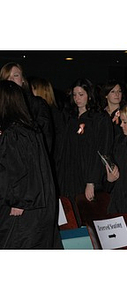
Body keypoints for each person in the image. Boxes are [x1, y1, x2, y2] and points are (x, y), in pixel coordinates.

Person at [0, 80, 61, 248]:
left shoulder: (13, 133)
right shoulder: (31, 129)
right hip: (40, 207)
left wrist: (18, 200)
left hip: (22, 210)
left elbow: (14, 171)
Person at [56, 78, 114, 208]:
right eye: (75, 95)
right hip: (68, 174)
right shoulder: (70, 117)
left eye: (81, 94)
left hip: (87, 173)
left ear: (89, 95)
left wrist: (91, 181)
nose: (77, 98)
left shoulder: (99, 118)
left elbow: (102, 150)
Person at [0, 62, 54, 154]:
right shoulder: (2, 105)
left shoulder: (36, 104)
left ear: (23, 79)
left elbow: (46, 136)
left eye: (16, 75)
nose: (11, 79)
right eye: (7, 76)